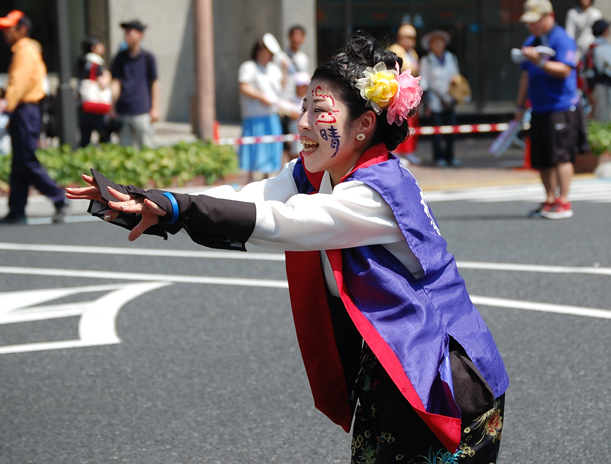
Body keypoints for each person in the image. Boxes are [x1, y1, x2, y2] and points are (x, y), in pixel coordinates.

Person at [66, 31, 509, 463]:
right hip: (393, 366)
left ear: (364, 125)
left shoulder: (376, 192)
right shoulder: (321, 174)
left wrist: (180, 208)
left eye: (319, 111)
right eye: (303, 108)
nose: (302, 124)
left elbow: (286, 222)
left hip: (445, 379)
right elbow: (252, 198)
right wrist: (159, 202)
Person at [515, 0, 587, 220]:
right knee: (542, 157)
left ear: (550, 17)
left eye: (535, 22)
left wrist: (540, 62)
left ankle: (564, 201)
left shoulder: (561, 38)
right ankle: (549, 199)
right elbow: (526, 75)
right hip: (539, 107)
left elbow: (565, 69)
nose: (532, 27)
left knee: (561, 156)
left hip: (561, 106)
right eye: (529, 23)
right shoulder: (531, 41)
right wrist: (519, 104)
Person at [0, 10, 66, 225]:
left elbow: (19, 83)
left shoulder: (24, 51)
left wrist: (7, 106)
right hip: (25, 109)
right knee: (20, 163)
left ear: (23, 29)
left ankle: (59, 198)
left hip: (26, 109)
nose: (6, 32)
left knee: (26, 160)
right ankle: (17, 210)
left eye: (10, 27)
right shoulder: (24, 50)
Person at [238, 37, 284, 183]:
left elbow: (280, 87)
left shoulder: (273, 69)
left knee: (271, 149)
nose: (264, 55)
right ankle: (250, 180)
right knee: (255, 150)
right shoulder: (249, 67)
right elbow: (244, 86)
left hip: (272, 115)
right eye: (262, 52)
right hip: (254, 116)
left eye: (267, 53)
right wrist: (260, 97)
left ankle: (267, 180)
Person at [110, 19, 159, 149]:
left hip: (141, 109)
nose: (127, 36)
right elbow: (116, 83)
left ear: (140, 35)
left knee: (147, 147)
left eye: (130, 33)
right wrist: (112, 107)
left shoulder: (148, 57)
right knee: (125, 150)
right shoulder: (119, 58)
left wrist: (155, 107)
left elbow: (154, 83)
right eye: (125, 33)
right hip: (123, 109)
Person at [420, 30, 462, 167]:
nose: (438, 44)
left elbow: (456, 77)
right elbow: (424, 82)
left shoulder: (451, 58)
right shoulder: (427, 60)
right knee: (436, 131)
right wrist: (426, 103)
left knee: (452, 130)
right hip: (435, 101)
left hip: (449, 100)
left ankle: (450, 155)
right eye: (434, 42)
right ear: (430, 45)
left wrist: (455, 96)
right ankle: (438, 157)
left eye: (440, 41)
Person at [388, 24, 422, 165]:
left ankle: (409, 152)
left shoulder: (412, 52)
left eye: (411, 38)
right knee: (398, 121)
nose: (409, 40)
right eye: (406, 37)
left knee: (411, 122)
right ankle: (397, 151)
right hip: (398, 92)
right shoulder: (395, 50)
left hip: (410, 92)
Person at [278, 25, 310, 163]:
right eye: (294, 35)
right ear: (289, 37)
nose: (297, 38)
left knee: (297, 141)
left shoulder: (303, 58)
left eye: (300, 35)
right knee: (285, 142)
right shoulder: (280, 57)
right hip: (285, 102)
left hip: (299, 103)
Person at [77, 36, 112, 147]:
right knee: (106, 140)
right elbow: (103, 84)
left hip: (84, 106)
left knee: (85, 141)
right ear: (94, 48)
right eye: (100, 45)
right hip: (97, 109)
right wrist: (108, 75)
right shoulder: (96, 63)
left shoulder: (82, 62)